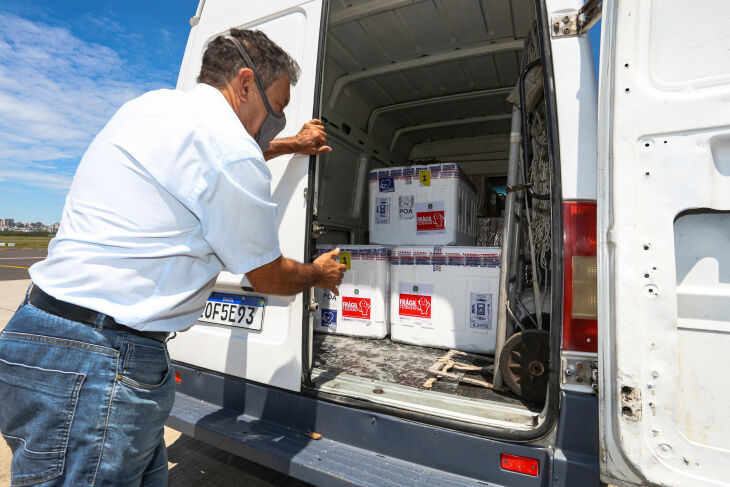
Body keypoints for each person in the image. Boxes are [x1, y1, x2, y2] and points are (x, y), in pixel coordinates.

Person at [0, 28, 346, 486]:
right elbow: (269, 276)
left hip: (37, 334)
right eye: (277, 108)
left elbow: (211, 159)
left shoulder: (148, 108)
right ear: (245, 84)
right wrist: (318, 273)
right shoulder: (229, 149)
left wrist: (288, 145)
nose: (277, 121)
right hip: (101, 364)